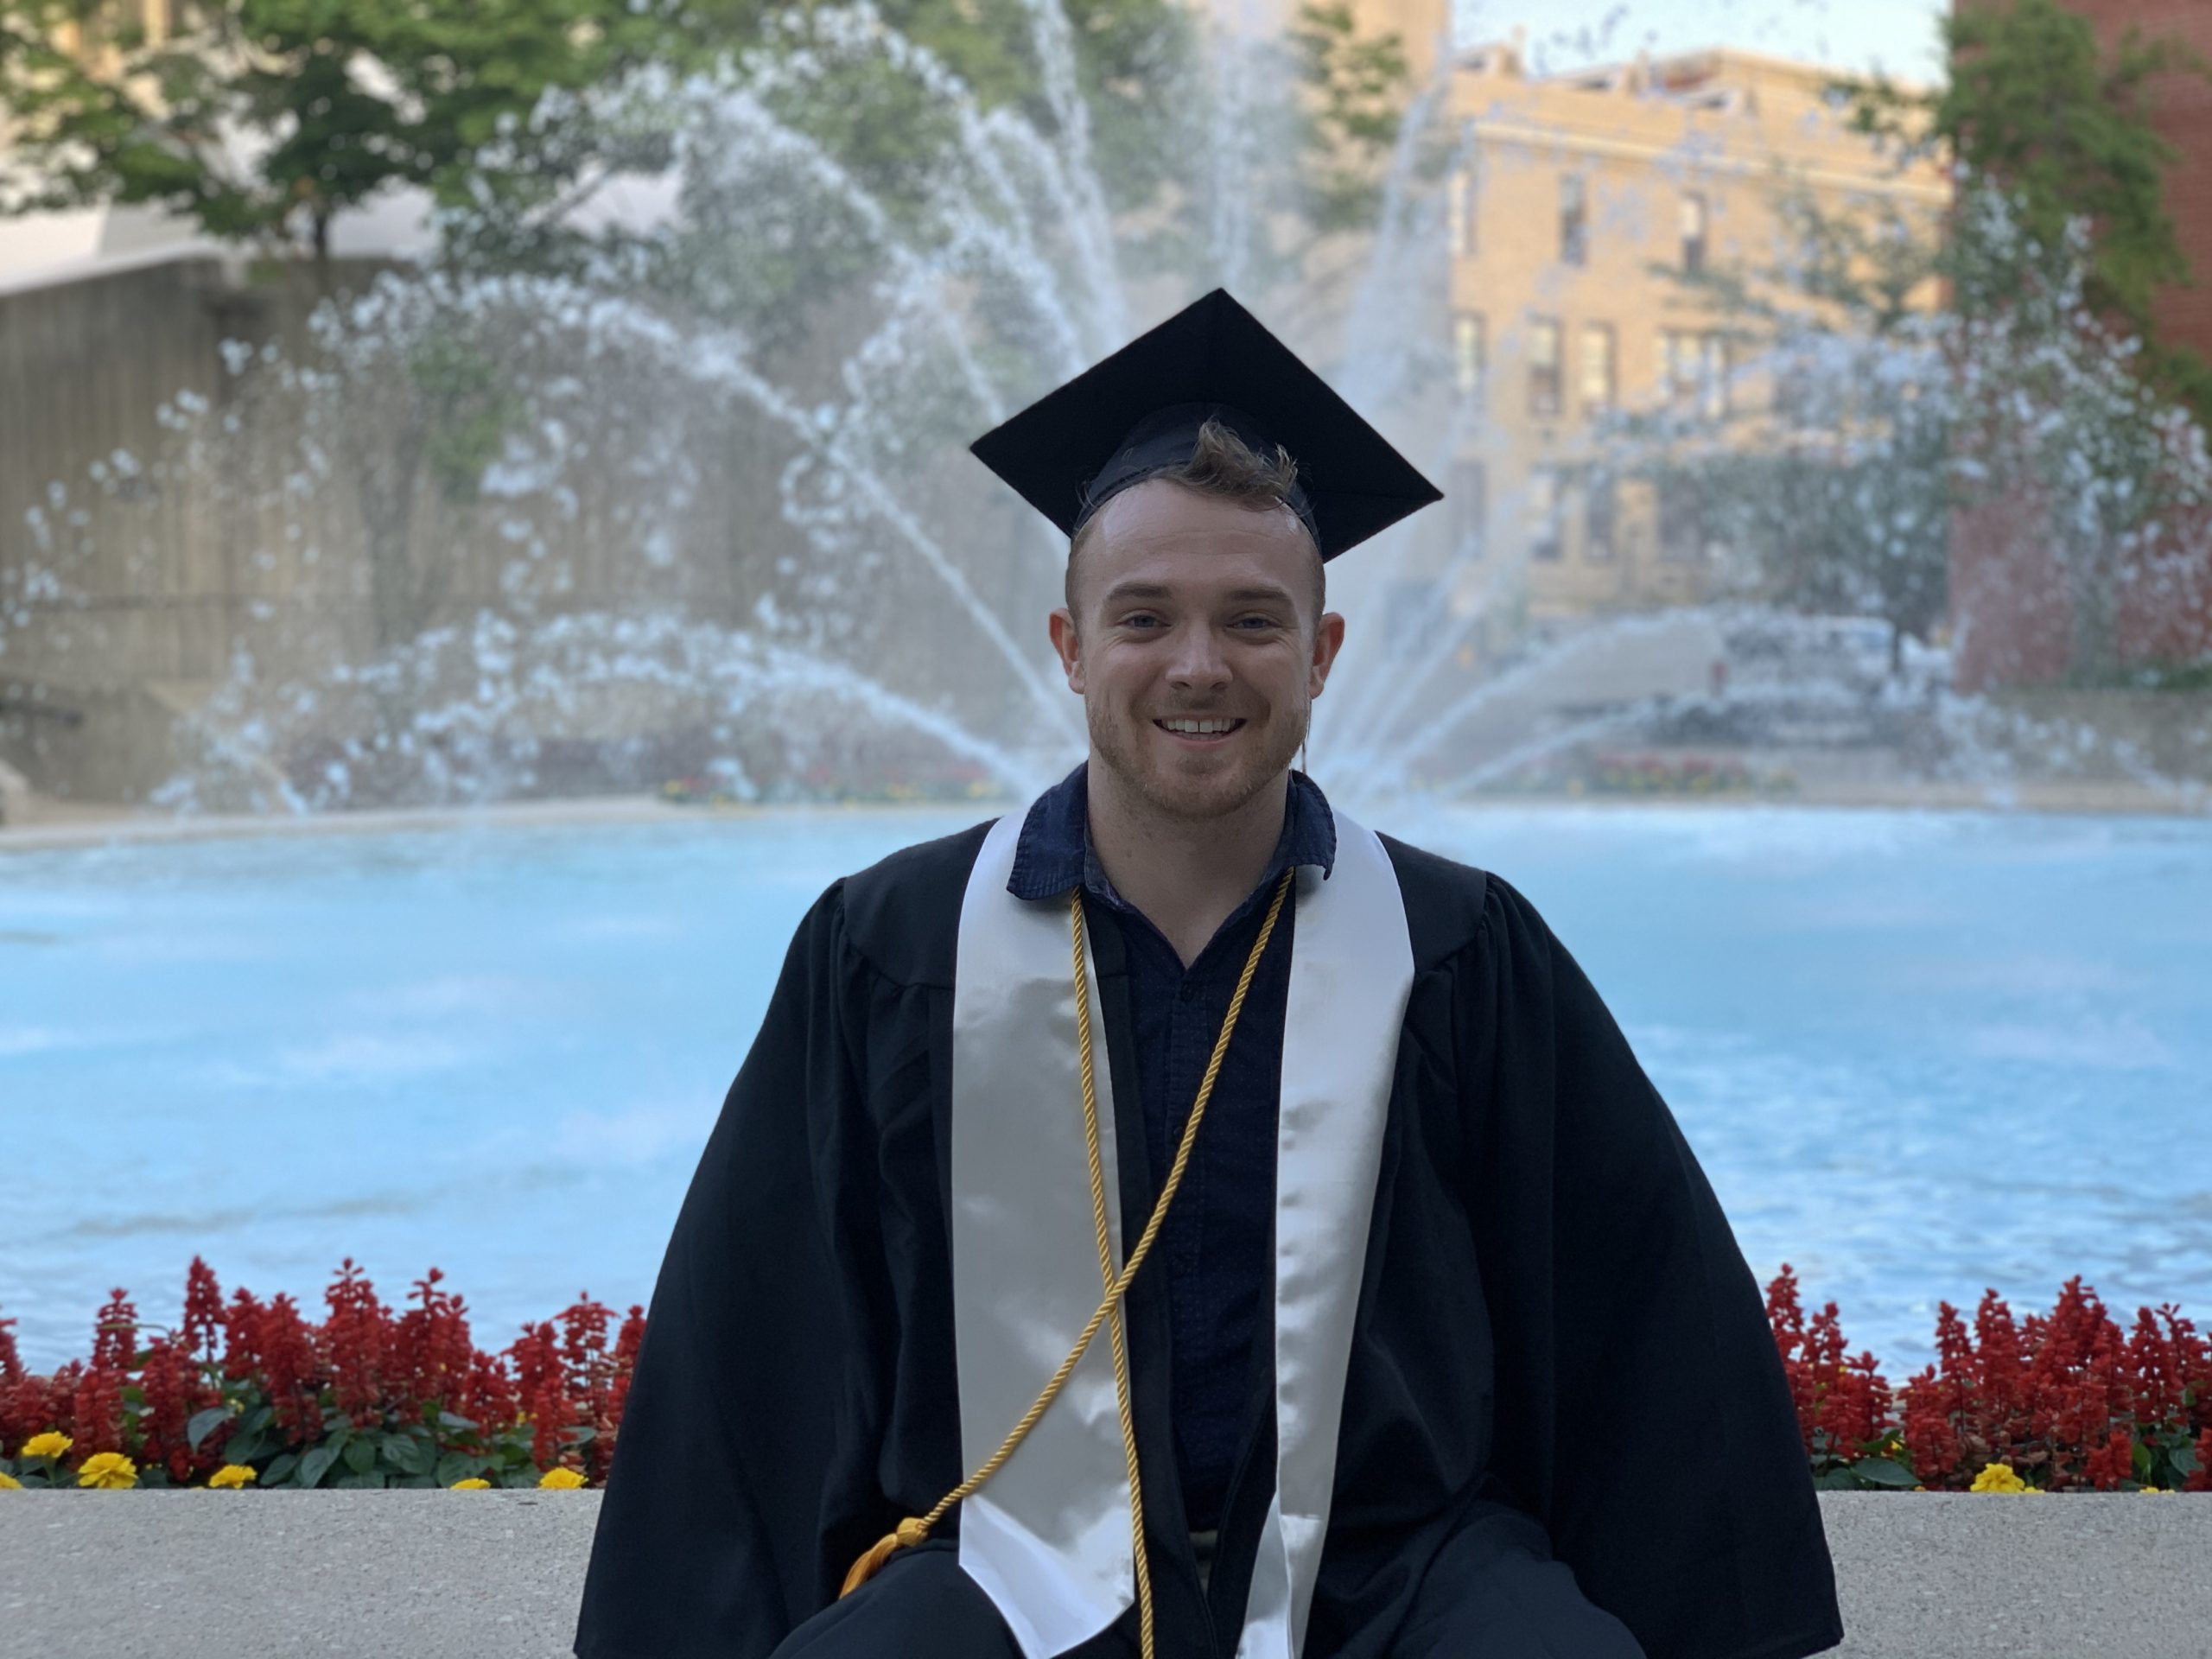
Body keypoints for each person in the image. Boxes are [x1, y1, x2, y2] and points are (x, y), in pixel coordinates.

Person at [571, 289, 1844, 1659]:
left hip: (1391, 1571)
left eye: (1251, 619)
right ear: (1069, 649)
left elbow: (1636, 1315)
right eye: (1143, 619)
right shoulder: (895, 949)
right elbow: (757, 1332)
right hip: (1009, 1569)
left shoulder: (1458, 951)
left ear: (1322, 654)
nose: (1198, 665)